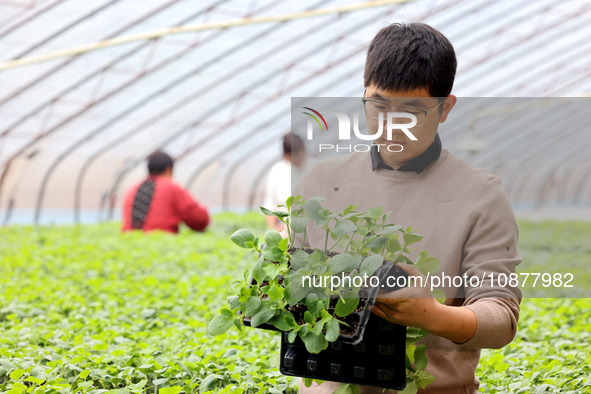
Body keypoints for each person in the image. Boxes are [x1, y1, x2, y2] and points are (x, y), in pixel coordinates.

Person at [295, 23, 521, 393]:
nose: (391, 124)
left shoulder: (480, 194)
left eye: (413, 110)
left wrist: (433, 316)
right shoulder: (319, 185)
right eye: (379, 105)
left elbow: (501, 317)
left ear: (445, 107)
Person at [122, 151, 210, 234]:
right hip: (161, 243)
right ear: (168, 169)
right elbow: (198, 219)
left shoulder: (134, 188)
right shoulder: (171, 187)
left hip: (129, 243)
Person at [263, 133, 313, 231]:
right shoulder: (278, 170)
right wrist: (274, 230)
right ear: (285, 155)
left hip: (311, 229)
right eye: (291, 156)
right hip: (284, 229)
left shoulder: (316, 167)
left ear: (304, 150)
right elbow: (270, 205)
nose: (296, 159)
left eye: (298, 154)